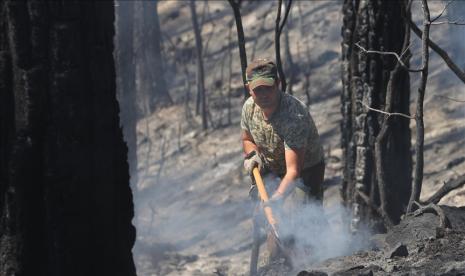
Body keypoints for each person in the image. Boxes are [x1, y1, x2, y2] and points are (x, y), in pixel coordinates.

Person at [241, 58, 325, 265]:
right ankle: (278, 262)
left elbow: (293, 171)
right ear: (249, 89)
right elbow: (246, 139)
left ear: (277, 84)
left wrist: (276, 199)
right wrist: (252, 155)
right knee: (272, 222)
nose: (264, 95)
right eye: (257, 90)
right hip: (273, 169)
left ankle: (317, 261)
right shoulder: (249, 108)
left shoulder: (293, 115)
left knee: (297, 216)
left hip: (304, 171)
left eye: (268, 88)